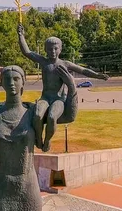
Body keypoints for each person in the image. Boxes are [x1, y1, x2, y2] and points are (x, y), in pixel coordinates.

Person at [17, 23, 109, 152]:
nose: (52, 52)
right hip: (45, 98)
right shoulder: (44, 62)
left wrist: (98, 75)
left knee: (51, 117)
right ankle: (38, 138)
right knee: (37, 115)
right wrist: (21, 35)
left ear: (60, 49)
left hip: (58, 100)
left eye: (55, 49)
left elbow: (83, 70)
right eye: (49, 49)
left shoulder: (65, 64)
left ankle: (47, 141)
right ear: (45, 49)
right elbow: (26, 52)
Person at [0, 65, 43, 211]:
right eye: (7, 79)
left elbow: (68, 114)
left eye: (16, 79)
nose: (12, 83)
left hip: (27, 187)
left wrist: (69, 84)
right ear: (2, 83)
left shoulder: (33, 115)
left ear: (23, 82)